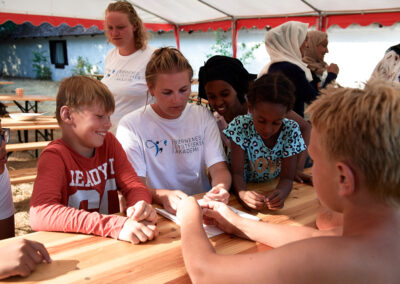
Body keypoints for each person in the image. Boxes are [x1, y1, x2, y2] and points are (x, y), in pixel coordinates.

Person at [177, 80, 400, 283]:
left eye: (315, 159)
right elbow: (317, 235)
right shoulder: (383, 233)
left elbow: (205, 272)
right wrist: (238, 222)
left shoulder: (330, 260)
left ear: (343, 178)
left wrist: (189, 213)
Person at [30, 76, 158, 244]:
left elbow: (134, 185)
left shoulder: (109, 143)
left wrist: (139, 208)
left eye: (109, 116)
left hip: (112, 241)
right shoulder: (55, 156)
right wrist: (114, 225)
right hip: (73, 247)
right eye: (100, 116)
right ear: (67, 115)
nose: (108, 124)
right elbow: (40, 213)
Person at [116, 47, 231, 214]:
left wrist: (220, 188)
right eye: (167, 92)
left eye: (183, 90)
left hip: (203, 205)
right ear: (151, 88)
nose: (177, 100)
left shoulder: (202, 115)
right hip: (157, 211)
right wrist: (161, 195)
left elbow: (218, 168)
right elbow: (133, 185)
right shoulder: (131, 125)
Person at [198, 55, 311, 183]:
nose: (218, 102)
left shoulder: (263, 106)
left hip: (280, 180)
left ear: (238, 88)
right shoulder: (217, 123)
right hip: (252, 185)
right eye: (211, 96)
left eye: (225, 94)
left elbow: (305, 127)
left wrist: (298, 168)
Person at [222, 73, 306, 211]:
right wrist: (243, 194)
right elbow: (236, 173)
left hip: (270, 186)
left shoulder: (291, 130)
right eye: (261, 120)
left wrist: (281, 194)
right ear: (250, 107)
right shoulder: (240, 127)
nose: (268, 129)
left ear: (286, 113)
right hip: (240, 188)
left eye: (276, 122)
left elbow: (287, 178)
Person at [101, 0, 154, 134]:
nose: (114, 33)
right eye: (110, 28)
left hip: (139, 136)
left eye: (120, 27)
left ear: (135, 26)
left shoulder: (152, 57)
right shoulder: (110, 56)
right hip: (110, 134)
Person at [260, 21, 318, 117]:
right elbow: (315, 101)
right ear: (292, 42)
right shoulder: (290, 69)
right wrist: (331, 76)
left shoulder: (274, 66)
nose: (307, 45)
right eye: (304, 40)